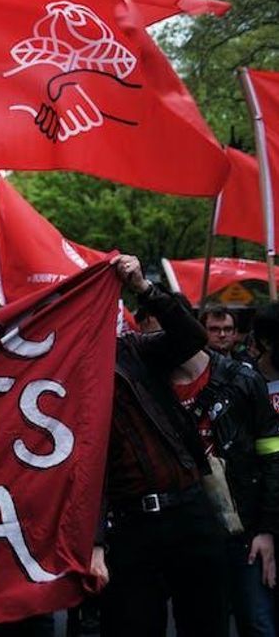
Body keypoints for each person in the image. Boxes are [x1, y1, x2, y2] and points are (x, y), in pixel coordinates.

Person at [94, 254, 230, 637]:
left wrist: (144, 288)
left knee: (205, 623)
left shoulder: (136, 350)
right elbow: (83, 470)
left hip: (188, 508)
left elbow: (192, 338)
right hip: (130, 526)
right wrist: (95, 544)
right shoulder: (64, 382)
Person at [169, 344, 279, 636]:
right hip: (186, 532)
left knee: (256, 621)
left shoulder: (242, 379)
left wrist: (266, 530)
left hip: (244, 531)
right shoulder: (151, 383)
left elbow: (270, 455)